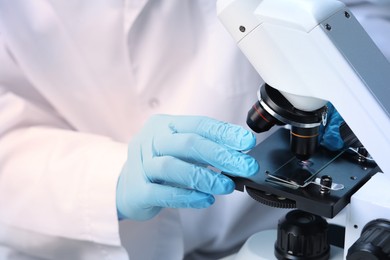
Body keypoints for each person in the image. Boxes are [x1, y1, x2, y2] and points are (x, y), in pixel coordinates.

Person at [0, 1, 389, 259]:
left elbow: (357, 11)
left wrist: (361, 85)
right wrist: (111, 180)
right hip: (100, 234)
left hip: (271, 225)